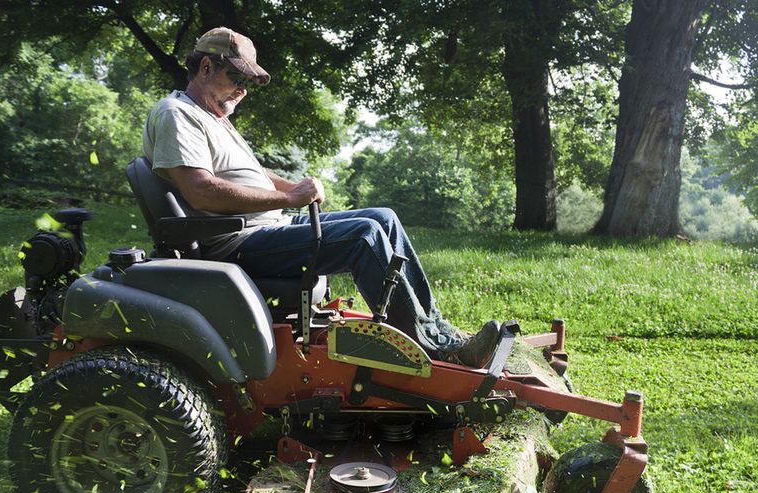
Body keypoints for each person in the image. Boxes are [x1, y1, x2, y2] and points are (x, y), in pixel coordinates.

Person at [142, 26, 500, 368]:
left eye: (248, 84)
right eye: (237, 79)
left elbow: (250, 174)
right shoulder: (178, 115)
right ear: (206, 67)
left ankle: (438, 329)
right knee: (363, 236)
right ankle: (436, 350)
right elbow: (201, 190)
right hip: (237, 242)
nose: (243, 91)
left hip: (266, 228)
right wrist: (290, 199)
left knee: (383, 218)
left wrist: (292, 188)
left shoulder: (213, 117)